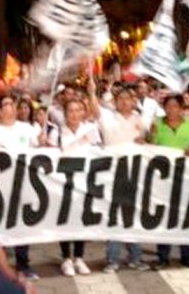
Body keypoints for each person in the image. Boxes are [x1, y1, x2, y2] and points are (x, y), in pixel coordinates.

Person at [88, 82, 149, 272]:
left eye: (127, 99)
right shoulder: (107, 117)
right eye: (120, 99)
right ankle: (112, 259)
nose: (124, 102)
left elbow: (148, 140)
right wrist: (91, 92)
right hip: (112, 173)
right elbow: (95, 109)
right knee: (113, 216)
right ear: (115, 102)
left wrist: (145, 139)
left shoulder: (140, 119)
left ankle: (135, 257)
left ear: (133, 101)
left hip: (134, 173)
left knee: (133, 217)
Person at [0, 97, 40, 280]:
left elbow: (37, 152)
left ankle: (23, 265)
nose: (12, 106)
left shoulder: (26, 128)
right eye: (6, 104)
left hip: (23, 182)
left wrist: (42, 143)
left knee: (22, 225)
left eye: (13, 103)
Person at [149, 94, 189, 270]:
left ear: (181, 108)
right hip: (163, 177)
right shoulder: (157, 124)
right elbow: (151, 147)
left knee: (186, 217)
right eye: (168, 106)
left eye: (175, 106)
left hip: (186, 176)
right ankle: (163, 257)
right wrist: (151, 137)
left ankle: (187, 255)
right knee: (164, 217)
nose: (171, 109)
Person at [55, 98, 100, 277]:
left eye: (78, 110)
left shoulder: (91, 130)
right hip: (63, 182)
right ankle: (66, 258)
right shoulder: (57, 132)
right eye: (70, 110)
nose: (74, 114)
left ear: (83, 112)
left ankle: (79, 257)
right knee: (64, 219)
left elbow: (98, 153)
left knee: (81, 219)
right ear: (65, 114)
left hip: (84, 181)